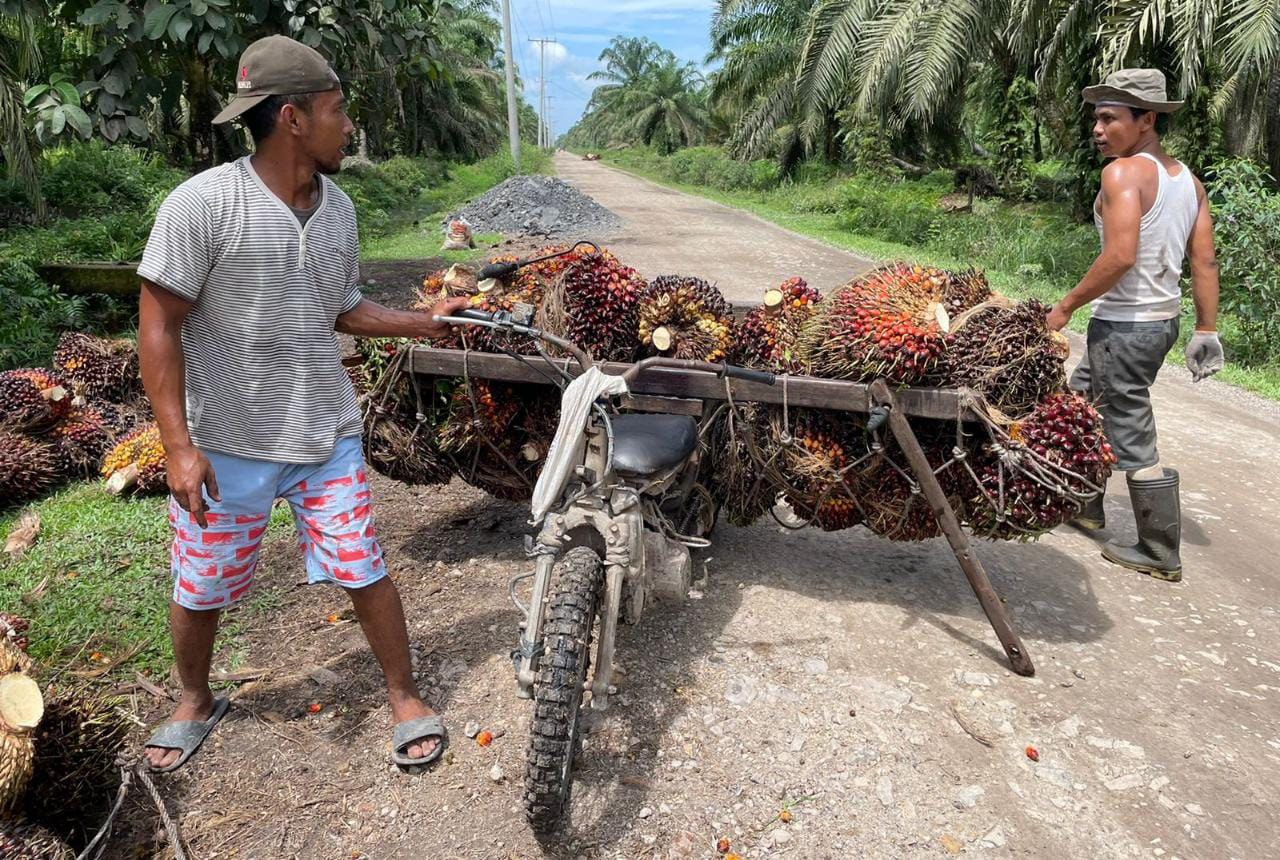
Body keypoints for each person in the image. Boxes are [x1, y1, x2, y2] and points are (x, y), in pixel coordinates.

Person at [136, 34, 469, 772]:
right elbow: (158, 323)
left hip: (324, 433)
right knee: (201, 583)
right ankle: (193, 698)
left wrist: (424, 320)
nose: (347, 125)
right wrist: (178, 447)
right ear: (292, 118)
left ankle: (404, 695)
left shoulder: (339, 208)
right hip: (227, 441)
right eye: (337, 110)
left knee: (362, 565)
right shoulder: (202, 205)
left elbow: (339, 306)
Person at [1046, 68, 1223, 583]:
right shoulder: (1188, 182)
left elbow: (1121, 256)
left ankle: (1160, 547)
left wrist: (1066, 306)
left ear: (1146, 119)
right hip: (1158, 322)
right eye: (1096, 119)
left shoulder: (1122, 174)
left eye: (1109, 118)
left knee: (1128, 424)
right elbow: (1205, 262)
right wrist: (1205, 329)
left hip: (1125, 326)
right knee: (1081, 404)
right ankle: (1085, 503)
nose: (1098, 130)